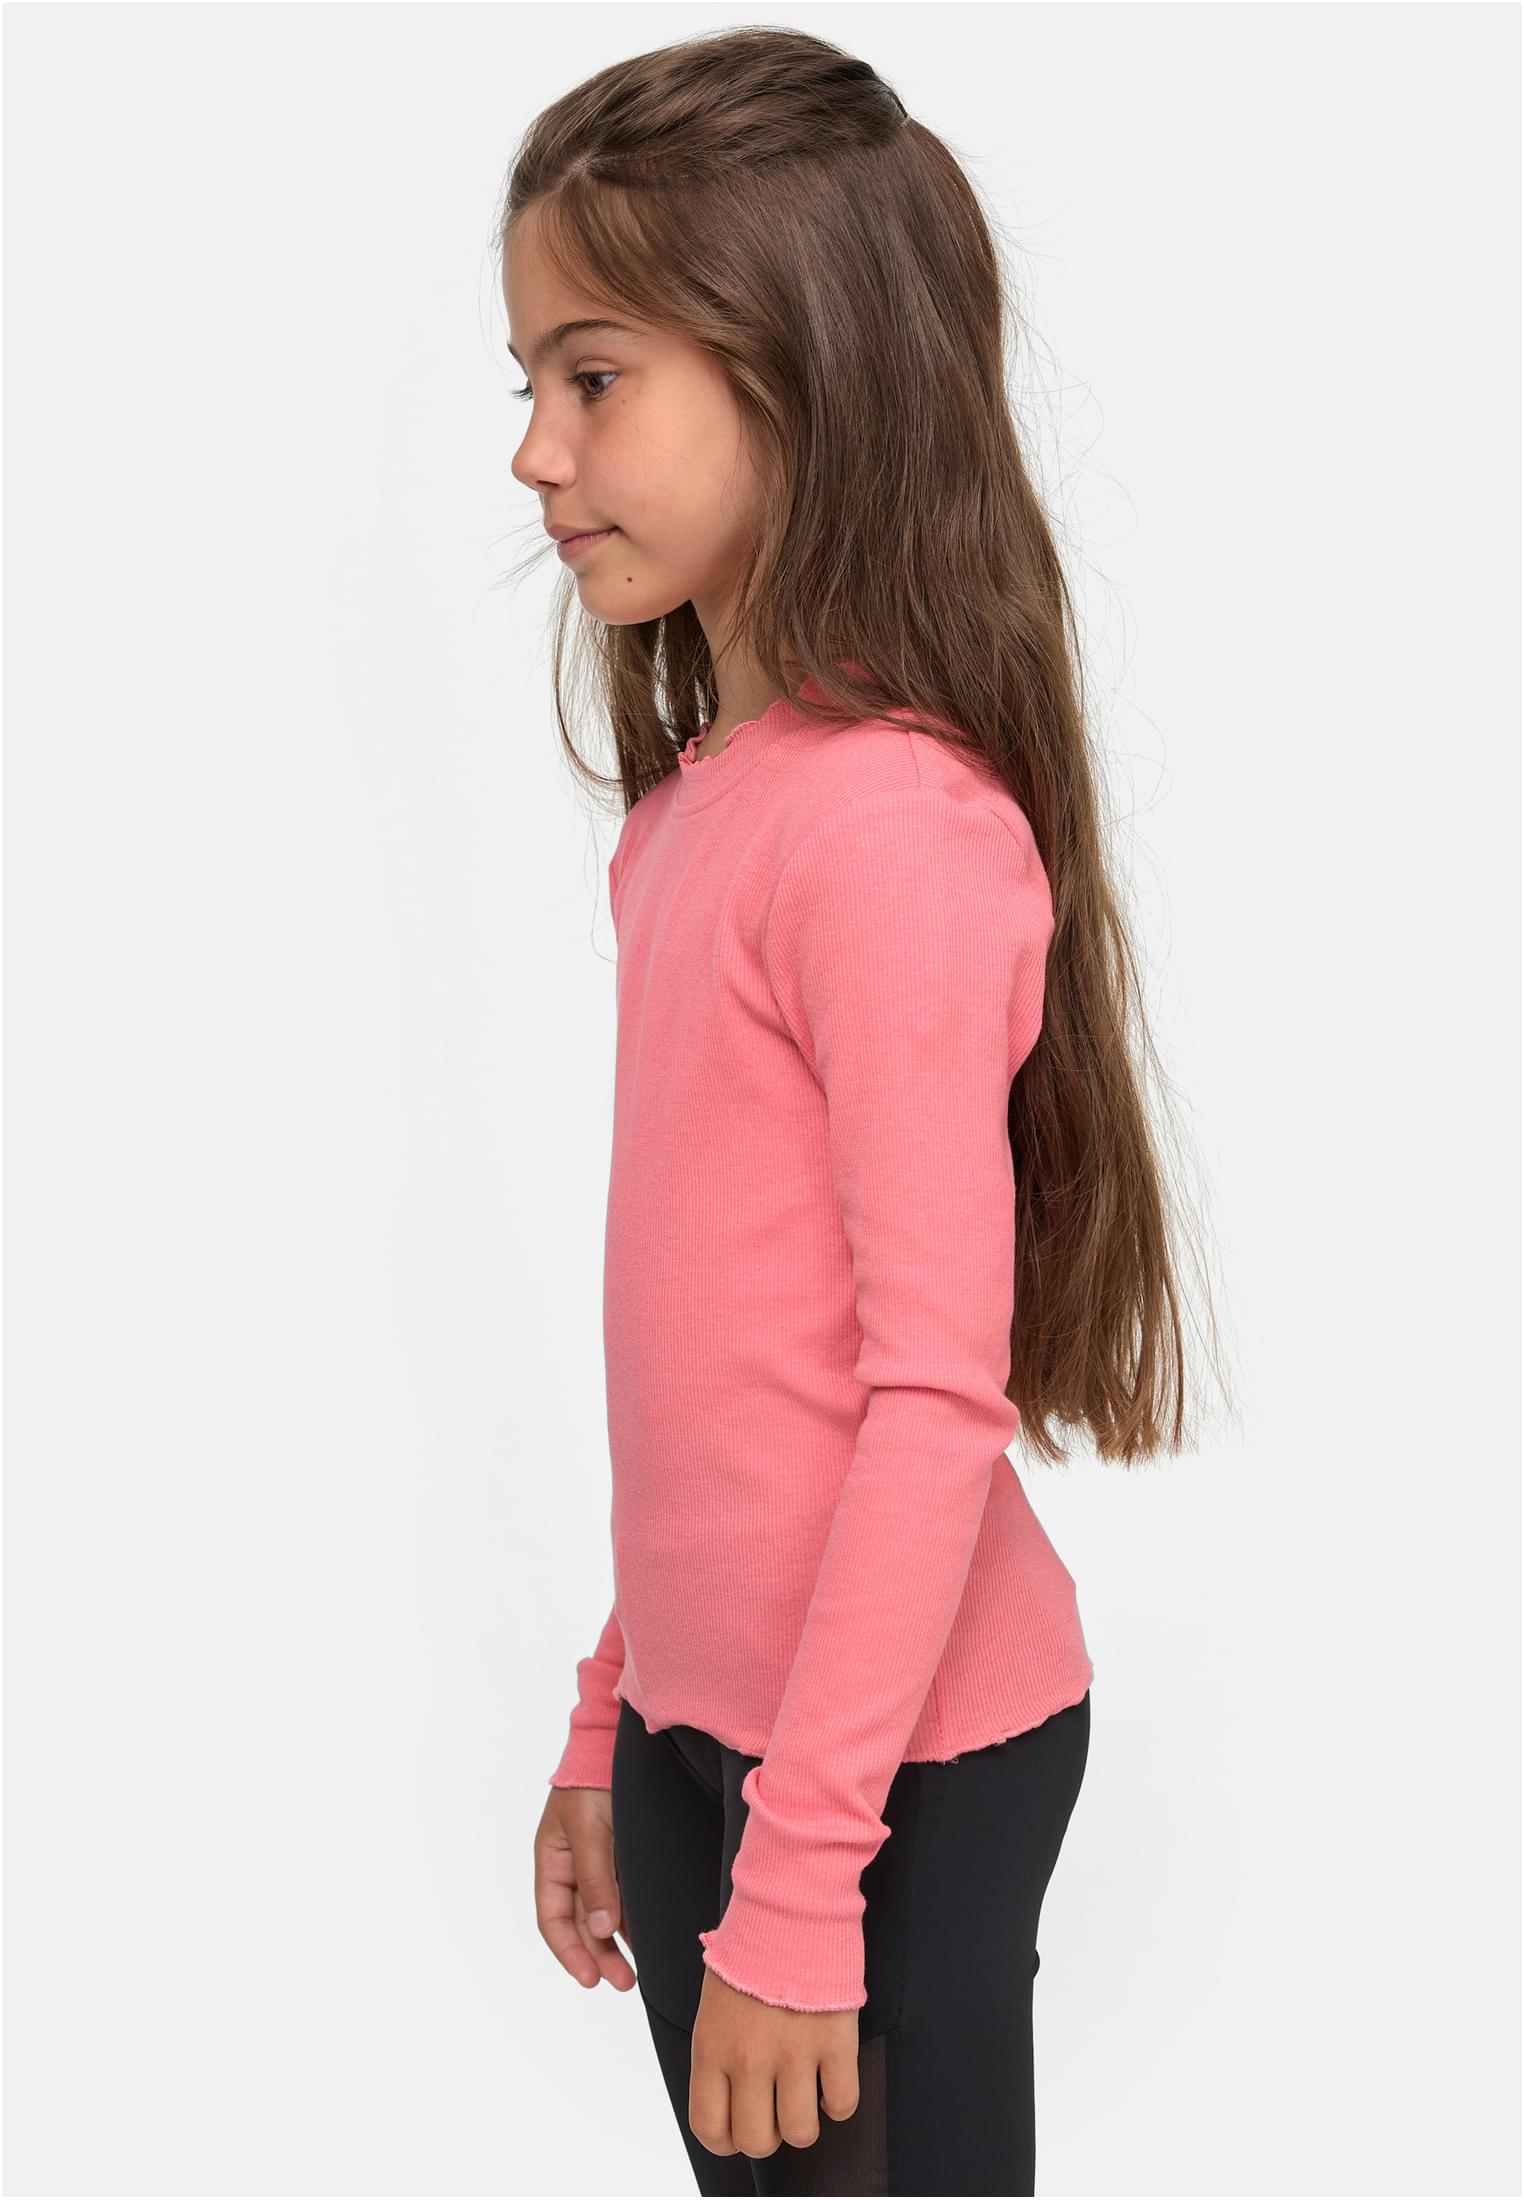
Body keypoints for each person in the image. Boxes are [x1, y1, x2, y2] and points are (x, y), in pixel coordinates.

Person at [503, 25, 1221, 2196]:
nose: (536, 451)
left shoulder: (893, 833)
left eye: (593, 376)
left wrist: (805, 1881)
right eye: (526, 382)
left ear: (799, 368)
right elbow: (721, 1377)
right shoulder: (696, 818)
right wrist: (610, 1719)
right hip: (711, 1743)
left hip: (893, 1776)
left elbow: (925, 1395)